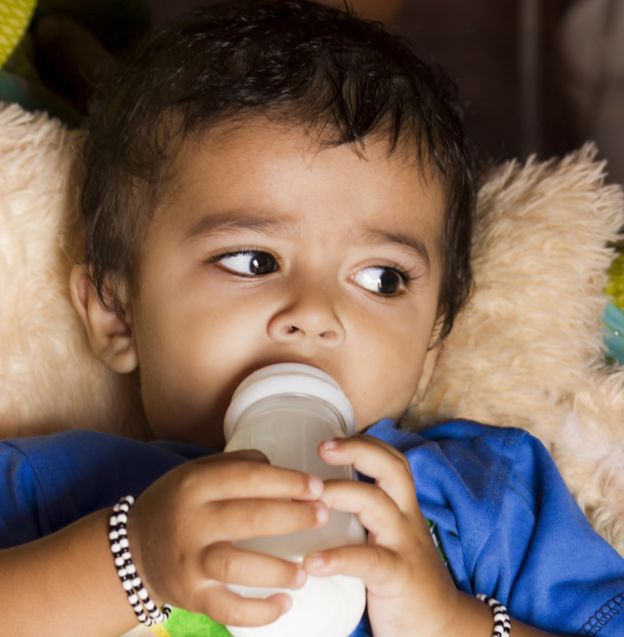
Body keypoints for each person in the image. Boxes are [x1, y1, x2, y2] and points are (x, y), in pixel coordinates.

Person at [1, 1, 623, 635]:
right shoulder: (68, 485)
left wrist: (448, 621)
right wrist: (131, 560)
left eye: (382, 279)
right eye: (252, 260)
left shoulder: (482, 495)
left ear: (432, 344)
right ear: (116, 314)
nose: (315, 314)